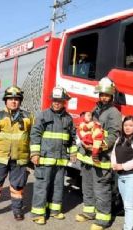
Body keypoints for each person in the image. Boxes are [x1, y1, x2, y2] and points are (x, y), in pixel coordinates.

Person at [0, 86, 34, 222]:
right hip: (0, 157)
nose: (14, 102)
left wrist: (33, 155)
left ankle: (17, 210)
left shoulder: (28, 117)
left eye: (16, 99)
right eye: (11, 99)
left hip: (20, 159)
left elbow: (33, 136)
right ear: (6, 101)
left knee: (18, 186)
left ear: (20, 101)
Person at [75, 77, 122, 230]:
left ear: (111, 96)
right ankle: (89, 212)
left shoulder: (114, 112)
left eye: (106, 95)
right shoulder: (95, 109)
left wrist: (100, 146)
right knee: (87, 186)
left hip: (101, 156)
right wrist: (84, 140)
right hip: (87, 155)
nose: (103, 97)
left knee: (101, 188)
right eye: (101, 94)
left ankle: (103, 219)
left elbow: (114, 134)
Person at [30, 86, 78, 225]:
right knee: (42, 186)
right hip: (45, 158)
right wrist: (34, 153)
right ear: (51, 101)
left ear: (64, 102)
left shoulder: (68, 119)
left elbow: (72, 138)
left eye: (60, 101)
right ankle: (38, 213)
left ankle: (54, 210)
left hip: (61, 160)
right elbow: (35, 135)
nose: (57, 103)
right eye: (55, 100)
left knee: (58, 186)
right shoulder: (43, 115)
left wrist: (73, 152)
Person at [111, 115, 133, 230]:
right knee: (125, 203)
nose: (127, 128)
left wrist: (122, 166)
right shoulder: (119, 138)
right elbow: (114, 154)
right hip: (121, 176)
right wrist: (114, 164)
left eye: (131, 125)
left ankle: (127, 228)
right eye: (125, 125)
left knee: (128, 205)